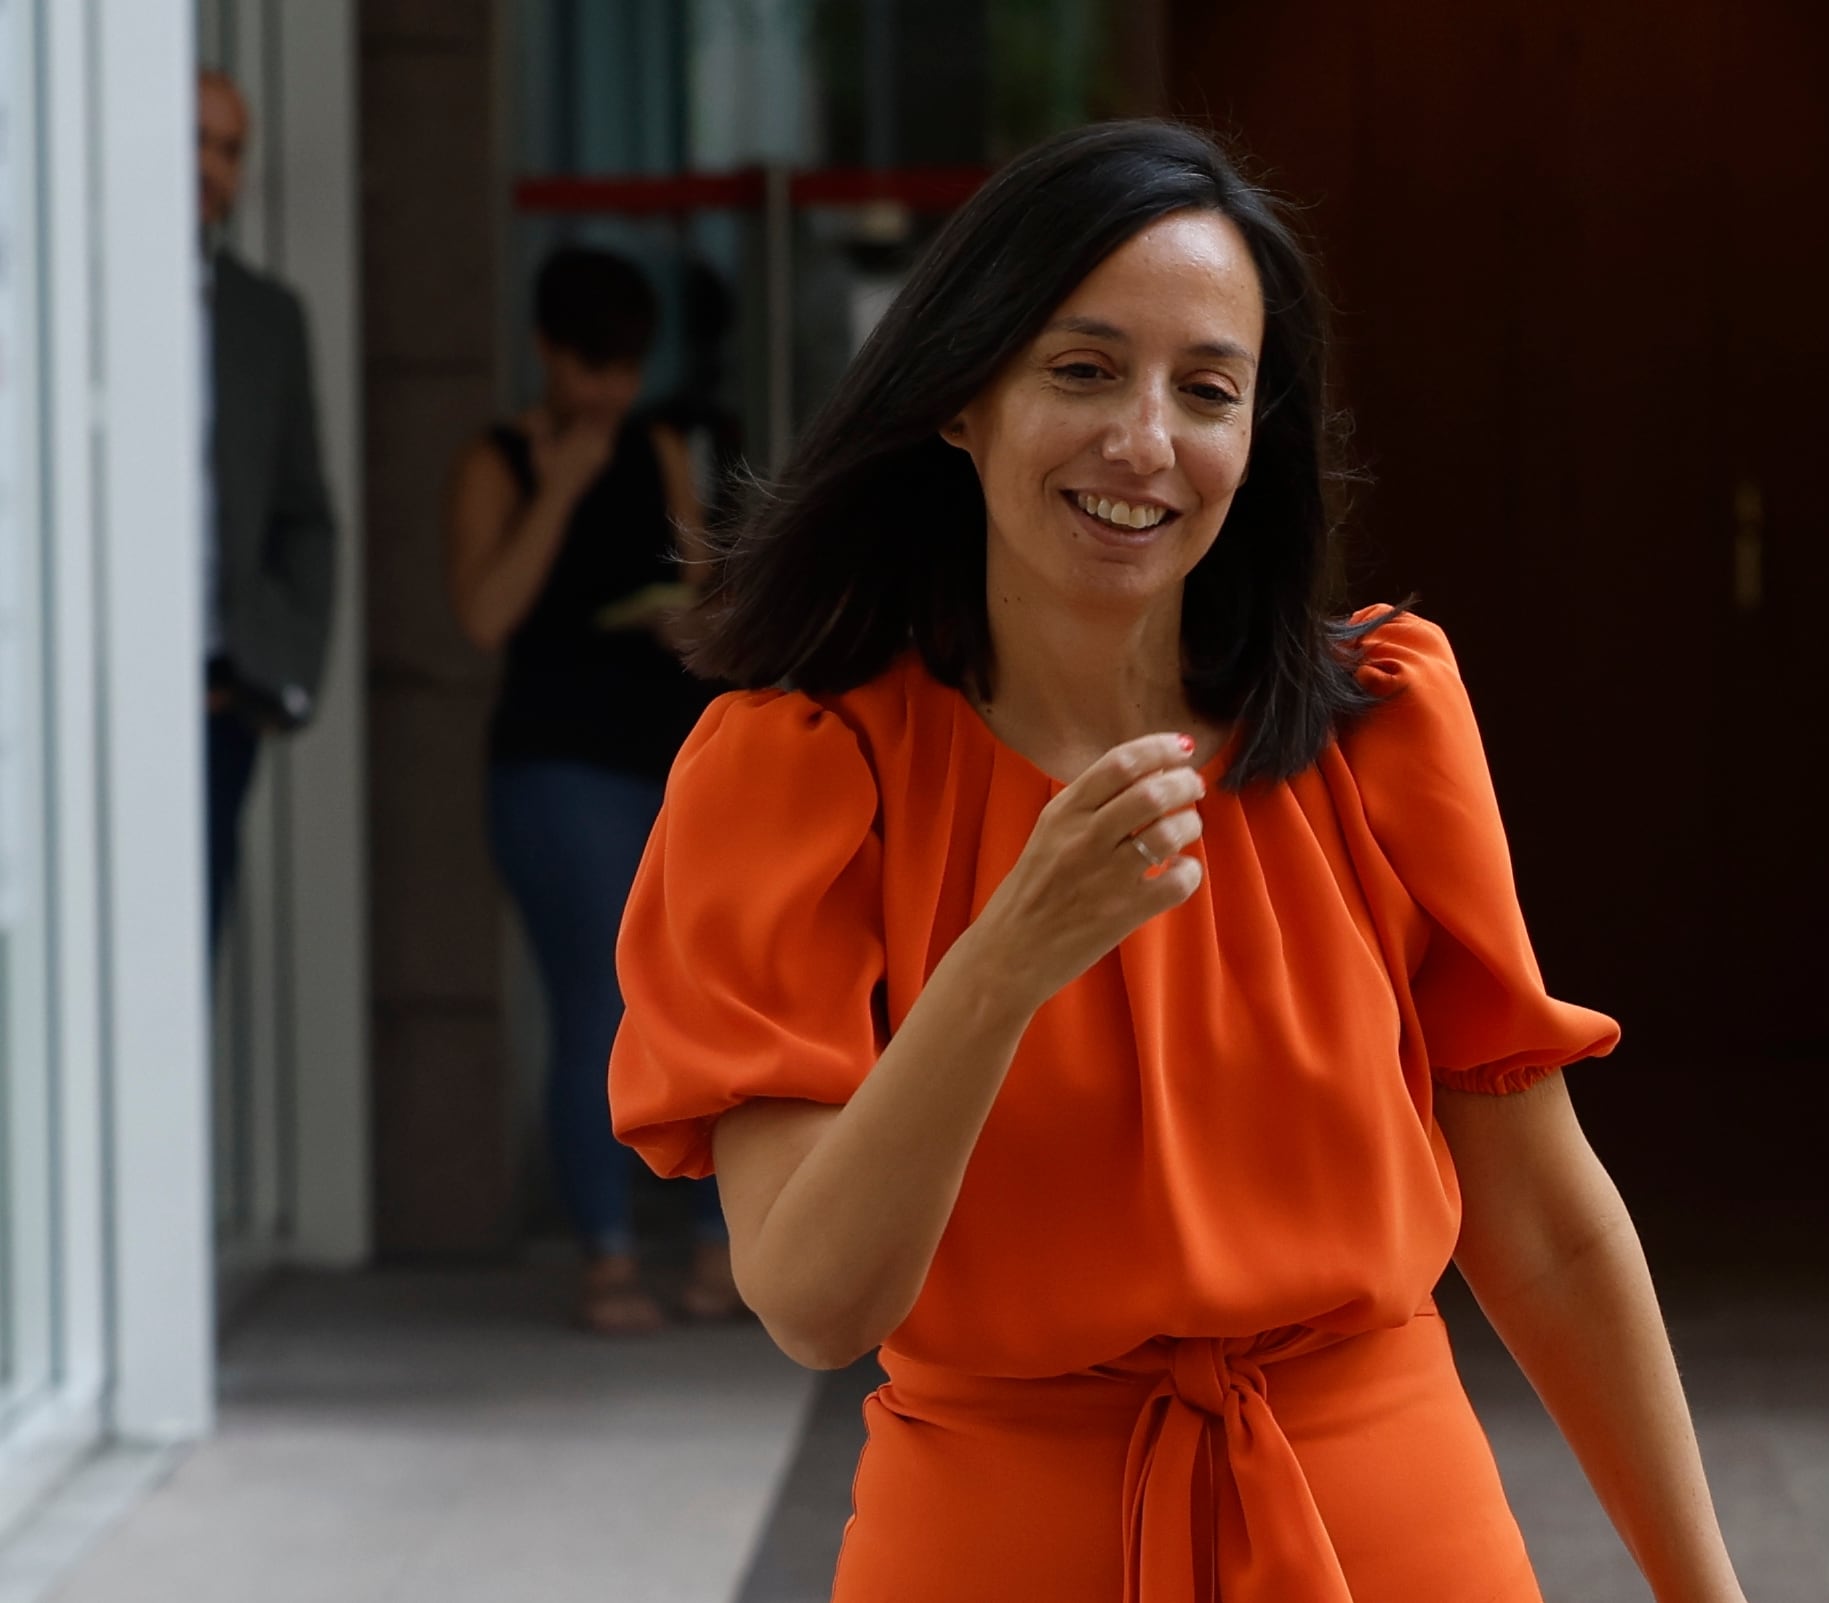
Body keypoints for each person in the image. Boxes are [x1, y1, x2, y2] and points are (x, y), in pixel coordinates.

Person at [611, 121, 1750, 1601]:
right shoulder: (795, 770)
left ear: (1254, 433)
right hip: (994, 1542)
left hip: (1392, 1533)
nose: (1143, 440)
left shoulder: (1376, 726)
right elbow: (814, 1300)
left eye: (1205, 390)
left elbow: (1540, 1223)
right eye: (1081, 370)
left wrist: (1704, 1588)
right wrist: (1004, 960)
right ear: (962, 395)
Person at [445, 247, 734, 1335]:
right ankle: (607, 1259)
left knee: (700, 995)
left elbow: (707, 609)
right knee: (597, 1004)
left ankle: (716, 1249)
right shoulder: (495, 461)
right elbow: (482, 614)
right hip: (552, 766)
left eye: (625, 367)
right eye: (589, 368)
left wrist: (681, 618)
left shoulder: (658, 446)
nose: (609, 391)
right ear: (545, 354)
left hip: (660, 760)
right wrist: (559, 486)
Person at [197, 69, 337, 942]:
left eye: (229, 149)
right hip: (83, 692)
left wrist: (283, 671)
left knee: (189, 945)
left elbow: (304, 511)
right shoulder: (67, 294)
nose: (208, 166)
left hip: (217, 693)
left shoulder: (264, 316)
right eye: (193, 138)